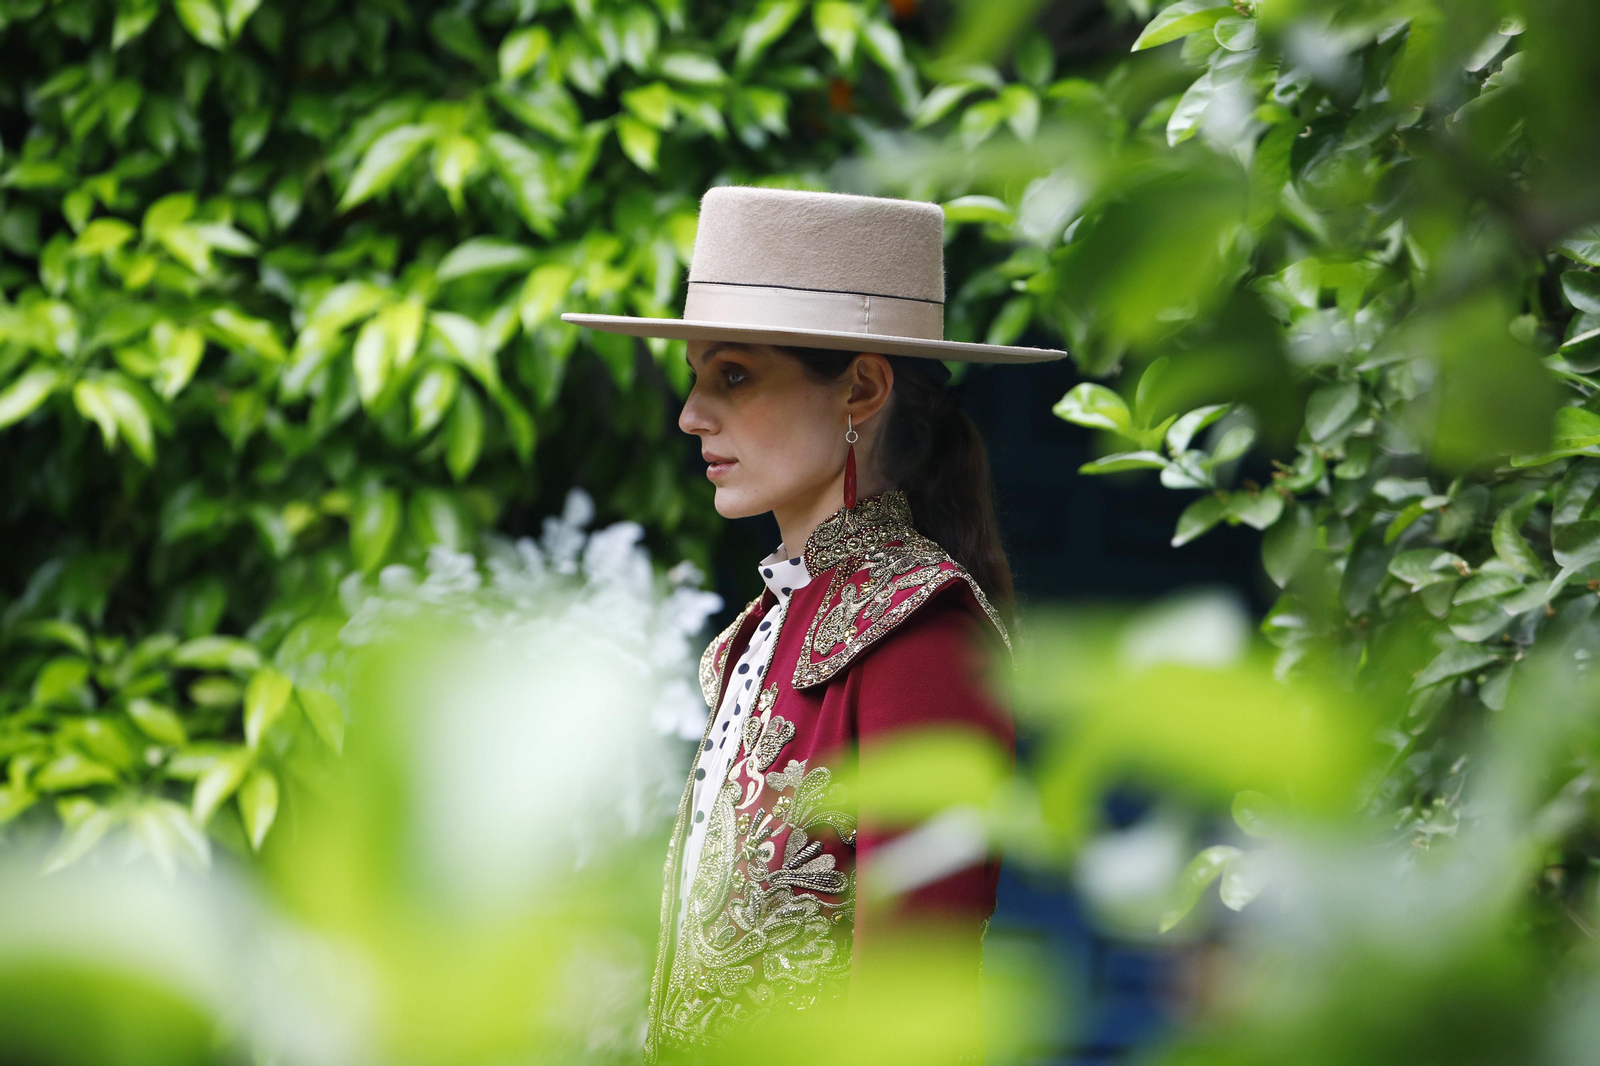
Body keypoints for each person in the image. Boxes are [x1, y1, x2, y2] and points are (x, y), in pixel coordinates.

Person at [563, 186, 1066, 1061]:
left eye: (734, 376)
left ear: (861, 389)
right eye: (695, 380)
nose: (691, 416)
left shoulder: (923, 634)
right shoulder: (763, 629)